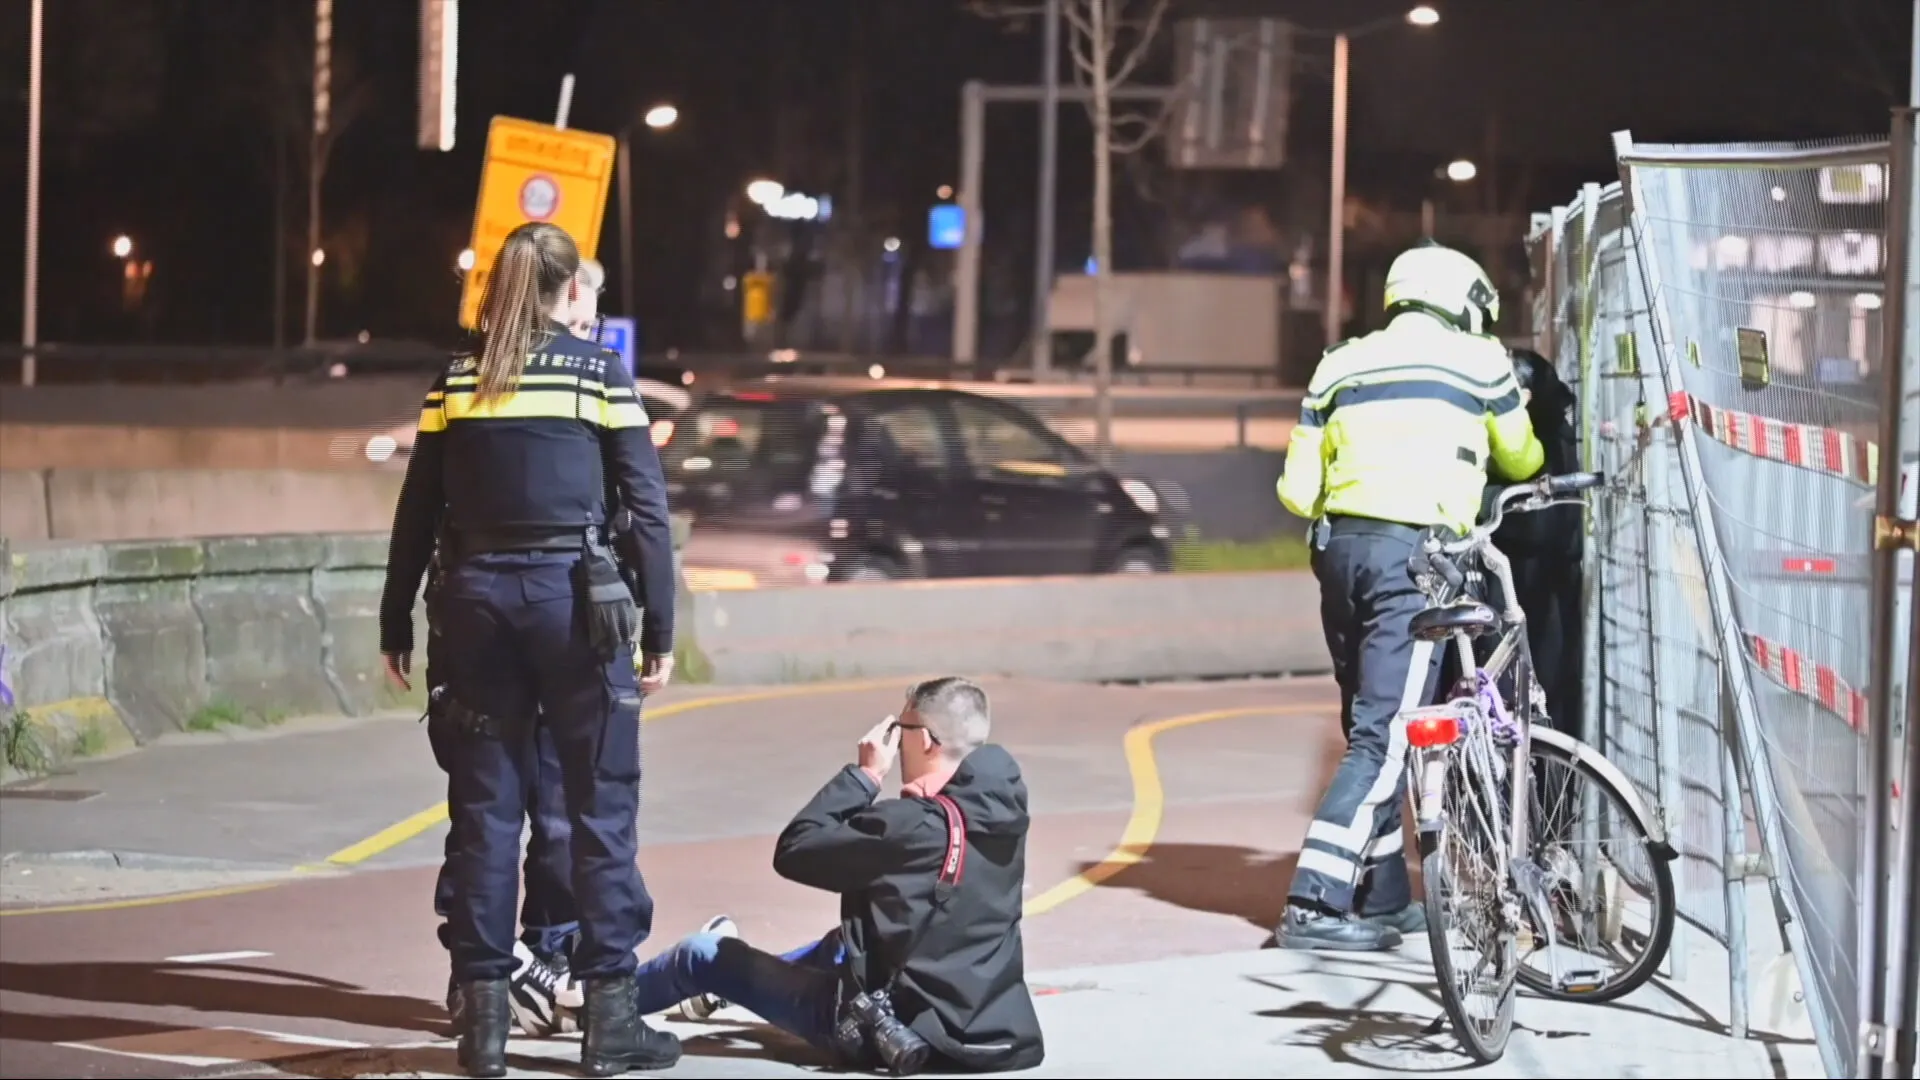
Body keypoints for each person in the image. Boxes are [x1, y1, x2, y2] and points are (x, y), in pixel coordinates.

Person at [379, 221, 680, 1078]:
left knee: (483, 812)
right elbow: (646, 509)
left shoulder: (460, 379)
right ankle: (609, 1020)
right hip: (576, 609)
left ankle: (483, 1026)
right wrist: (660, 629)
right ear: (566, 291)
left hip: (473, 608)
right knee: (598, 807)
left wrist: (395, 621)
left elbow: (416, 512)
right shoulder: (596, 375)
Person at [514, 677, 1047, 1074]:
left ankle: (580, 1006)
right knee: (840, 943)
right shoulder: (1004, 810)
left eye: (899, 729)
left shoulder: (910, 826)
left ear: (925, 739)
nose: (894, 740)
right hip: (990, 1028)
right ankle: (712, 997)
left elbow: (795, 849)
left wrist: (864, 775)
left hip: (887, 1028)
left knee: (703, 955)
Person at [1273, 242, 1546, 952]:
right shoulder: (1481, 361)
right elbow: (1524, 458)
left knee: (1370, 723)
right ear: (1464, 301)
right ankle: (1315, 901)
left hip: (1340, 556)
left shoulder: (1338, 361)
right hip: (1415, 561)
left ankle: (1384, 891)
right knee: (1387, 734)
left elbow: (1297, 491)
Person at [428, 259, 612, 1035]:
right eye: (591, 298)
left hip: (493, 615)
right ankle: (497, 971)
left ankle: (527, 964)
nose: (594, 315)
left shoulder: (573, 377)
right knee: (511, 807)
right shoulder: (513, 379)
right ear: (567, 293)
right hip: (543, 619)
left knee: (520, 811)